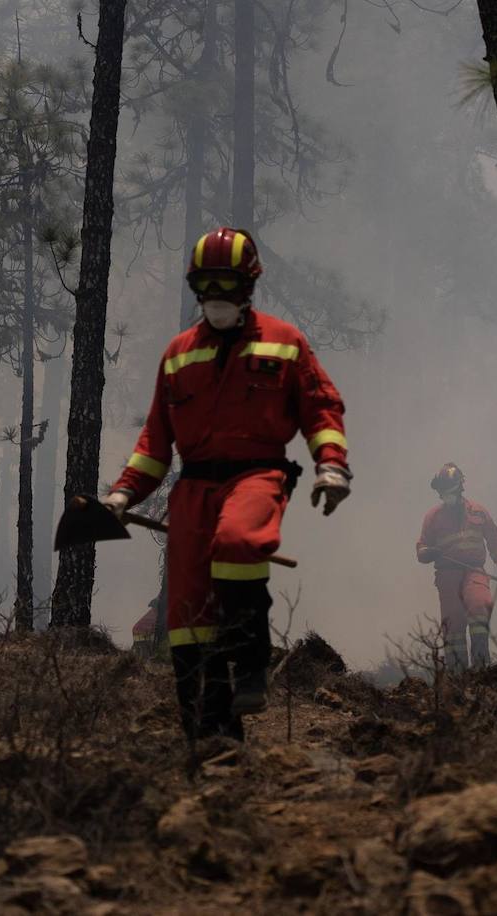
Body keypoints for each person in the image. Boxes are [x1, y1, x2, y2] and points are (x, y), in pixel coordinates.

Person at [102, 227, 352, 740]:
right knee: (188, 616)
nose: (217, 297)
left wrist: (331, 464)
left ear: (249, 285)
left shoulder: (284, 342)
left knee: (238, 541)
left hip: (257, 474)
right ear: (196, 288)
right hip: (193, 489)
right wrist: (125, 491)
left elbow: (321, 407)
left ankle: (250, 661)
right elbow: (155, 440)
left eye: (228, 285)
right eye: (207, 286)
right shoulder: (178, 353)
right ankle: (211, 734)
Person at [416, 463, 497, 669]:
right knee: (453, 625)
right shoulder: (433, 517)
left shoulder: (479, 512)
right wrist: (428, 553)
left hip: (474, 572)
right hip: (446, 576)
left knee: (480, 607)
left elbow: (494, 541)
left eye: (448, 491)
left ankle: (481, 670)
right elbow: (421, 549)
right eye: (442, 493)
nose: (445, 497)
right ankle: (457, 677)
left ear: (459, 488)